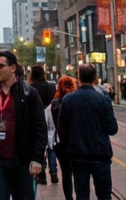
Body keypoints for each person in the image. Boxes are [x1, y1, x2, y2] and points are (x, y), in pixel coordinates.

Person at [0, 51, 46, 200]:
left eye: (0, 66)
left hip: (22, 161)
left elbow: (40, 127)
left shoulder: (29, 93)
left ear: (13, 68)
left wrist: (37, 158)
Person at [56, 64, 117, 200]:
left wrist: (69, 146)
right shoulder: (103, 99)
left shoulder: (68, 100)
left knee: (82, 194)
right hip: (101, 154)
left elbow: (62, 129)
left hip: (78, 155)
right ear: (95, 78)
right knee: (104, 194)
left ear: (78, 78)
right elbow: (112, 129)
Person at [49, 76, 78, 200]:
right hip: (76, 142)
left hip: (61, 142)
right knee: (78, 173)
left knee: (66, 173)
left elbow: (54, 123)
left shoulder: (55, 103)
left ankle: (69, 198)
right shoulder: (77, 101)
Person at [27, 65, 56, 186]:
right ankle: (53, 170)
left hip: (37, 117)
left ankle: (42, 173)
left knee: (40, 142)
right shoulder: (51, 85)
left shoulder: (30, 88)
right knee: (51, 143)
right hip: (50, 113)